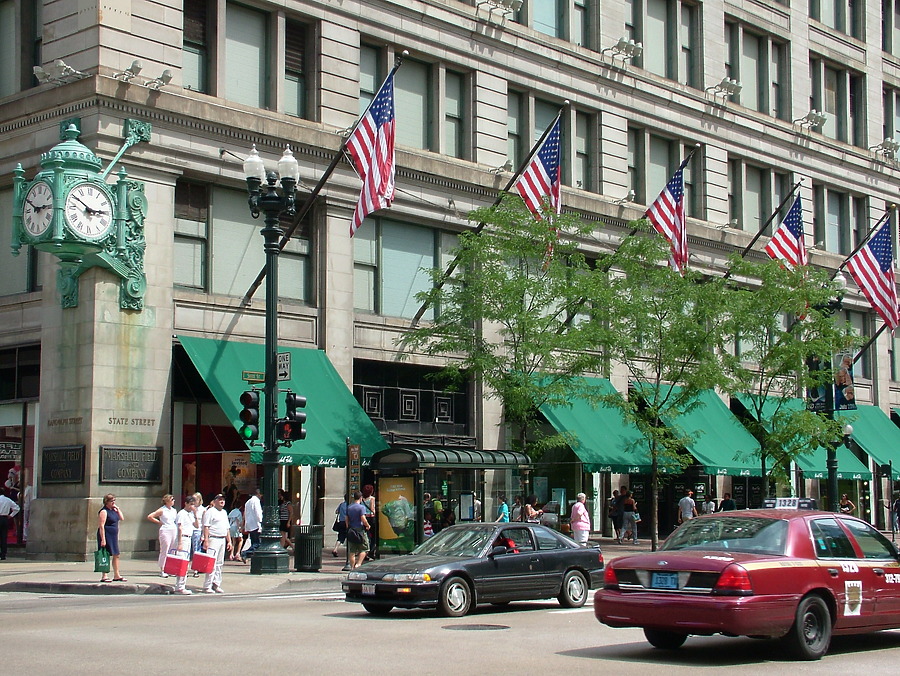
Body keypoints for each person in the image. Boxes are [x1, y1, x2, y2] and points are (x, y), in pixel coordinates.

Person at [201, 493, 232, 593]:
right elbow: (206, 526)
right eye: (220, 499)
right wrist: (206, 540)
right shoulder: (210, 512)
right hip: (213, 539)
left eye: (223, 500)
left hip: (222, 538)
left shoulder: (224, 512)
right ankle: (207, 585)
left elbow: (227, 528)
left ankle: (216, 583)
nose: (222, 501)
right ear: (215, 501)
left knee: (219, 563)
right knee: (211, 563)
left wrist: (229, 541)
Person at [147, 494, 178, 578]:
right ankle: (162, 569)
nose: (173, 501)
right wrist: (159, 522)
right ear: (167, 501)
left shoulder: (174, 510)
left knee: (173, 549)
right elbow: (150, 516)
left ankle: (170, 568)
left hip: (173, 529)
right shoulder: (162, 510)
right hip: (165, 530)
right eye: (172, 499)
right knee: (165, 549)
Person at [96, 493, 124, 581]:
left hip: (113, 535)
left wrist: (118, 509)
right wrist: (103, 539)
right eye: (112, 501)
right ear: (106, 502)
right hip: (106, 534)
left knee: (116, 554)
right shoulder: (104, 511)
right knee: (106, 554)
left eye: (114, 500)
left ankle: (117, 575)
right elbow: (101, 525)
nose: (113, 502)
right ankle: (104, 575)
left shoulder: (114, 510)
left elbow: (122, 518)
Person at [173, 495, 197, 595]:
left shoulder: (190, 514)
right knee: (182, 563)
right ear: (186, 504)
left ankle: (182, 584)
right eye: (191, 504)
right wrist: (179, 543)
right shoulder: (181, 513)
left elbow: (196, 525)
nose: (192, 507)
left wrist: (195, 515)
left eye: (193, 505)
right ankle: (180, 586)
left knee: (185, 563)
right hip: (182, 538)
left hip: (189, 538)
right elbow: (180, 528)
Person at [345, 490, 371, 570]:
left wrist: (348, 527)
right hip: (360, 530)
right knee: (365, 548)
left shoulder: (349, 507)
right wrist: (367, 525)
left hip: (351, 530)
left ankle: (352, 567)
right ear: (361, 498)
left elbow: (346, 519)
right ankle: (358, 564)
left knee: (352, 550)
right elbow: (363, 518)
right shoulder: (361, 507)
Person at [0, 488, 21, 561]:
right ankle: (3, 555)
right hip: (5, 518)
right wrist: (11, 515)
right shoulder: (7, 500)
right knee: (4, 537)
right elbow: (17, 508)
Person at [243, 488, 263, 560]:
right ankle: (245, 553)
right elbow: (258, 513)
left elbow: (245, 514)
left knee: (254, 542)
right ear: (258, 494)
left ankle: (252, 557)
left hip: (250, 525)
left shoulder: (248, 502)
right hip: (256, 525)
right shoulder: (256, 501)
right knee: (257, 544)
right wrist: (261, 521)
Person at [362, 484, 376, 557]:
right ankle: (370, 551)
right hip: (370, 517)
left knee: (365, 535)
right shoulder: (372, 499)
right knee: (373, 535)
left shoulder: (361, 499)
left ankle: (364, 551)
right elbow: (372, 508)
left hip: (363, 517)